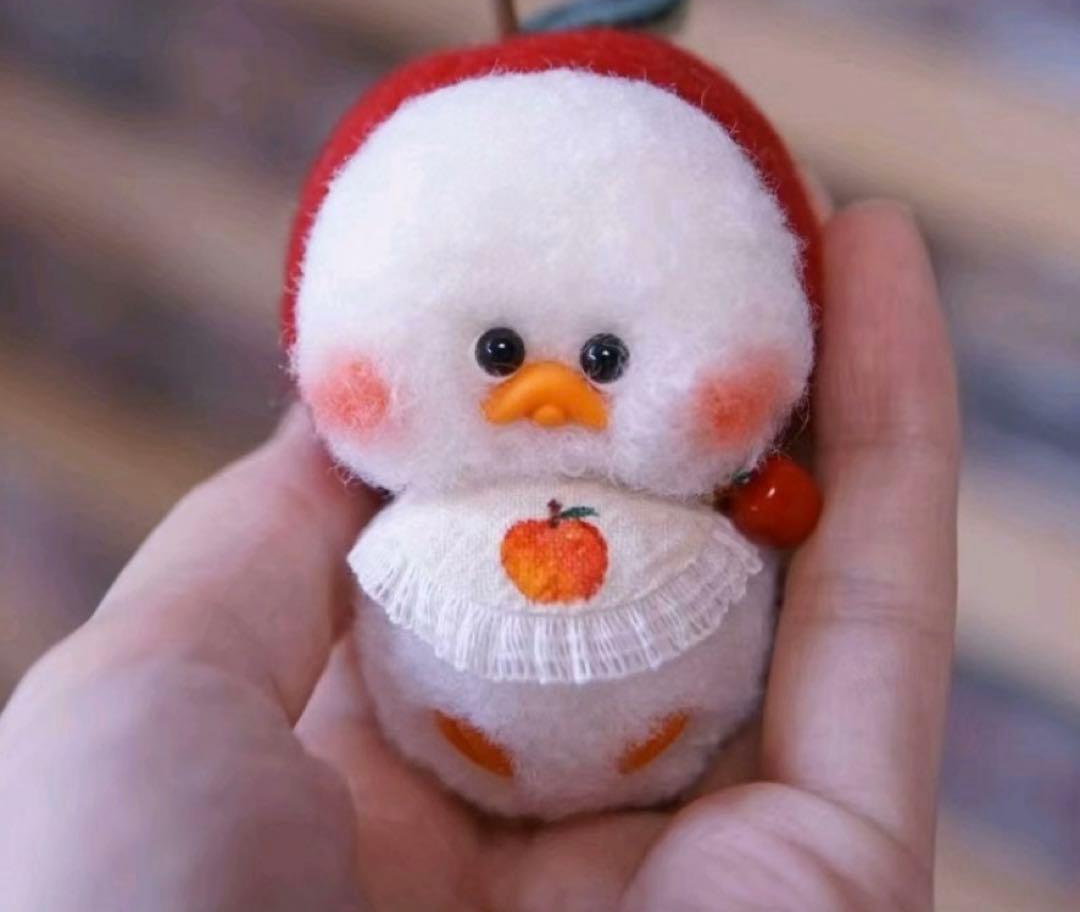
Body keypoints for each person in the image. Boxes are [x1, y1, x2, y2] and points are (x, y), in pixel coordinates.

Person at [0, 201, 959, 910]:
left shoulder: (711, 504)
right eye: (501, 352)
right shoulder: (419, 511)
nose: (549, 392)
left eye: (604, 361)